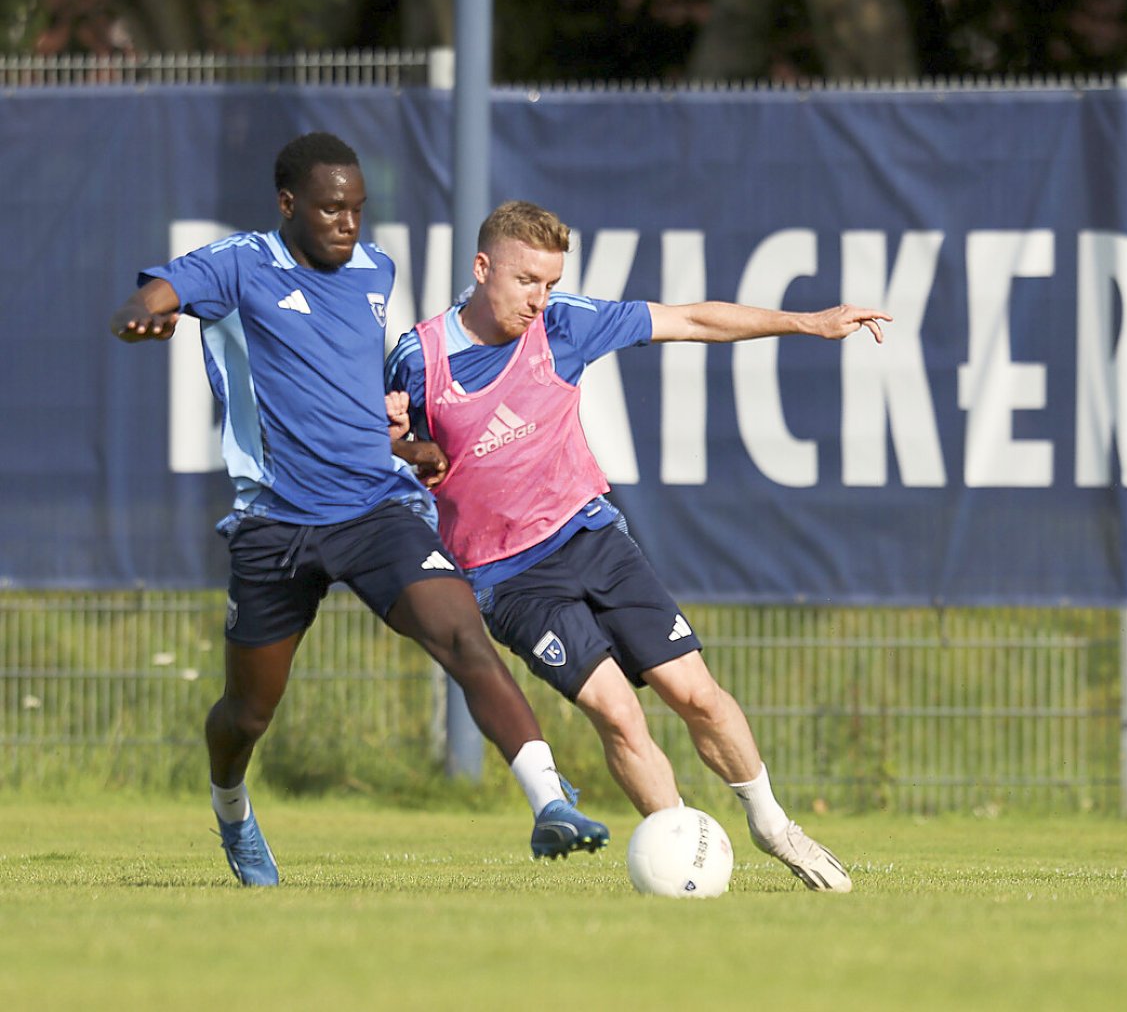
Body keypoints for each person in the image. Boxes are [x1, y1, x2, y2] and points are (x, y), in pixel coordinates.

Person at [109, 134, 609, 887]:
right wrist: (139, 315)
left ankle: (549, 805)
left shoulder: (376, 269)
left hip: (375, 509)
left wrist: (404, 452)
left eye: (358, 208)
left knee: (463, 638)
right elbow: (155, 297)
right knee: (247, 713)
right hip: (274, 524)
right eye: (331, 208)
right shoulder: (240, 264)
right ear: (288, 205)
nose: (349, 223)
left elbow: (344, 393)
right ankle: (233, 810)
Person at [385, 201, 889, 893]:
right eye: (526, 279)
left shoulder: (565, 325)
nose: (539, 298)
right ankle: (685, 855)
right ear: (482, 268)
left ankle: (775, 827)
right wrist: (407, 452)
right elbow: (383, 448)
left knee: (696, 694)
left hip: (591, 537)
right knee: (616, 712)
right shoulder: (420, 358)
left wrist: (806, 322)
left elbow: (692, 318)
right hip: (508, 579)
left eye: (550, 282)